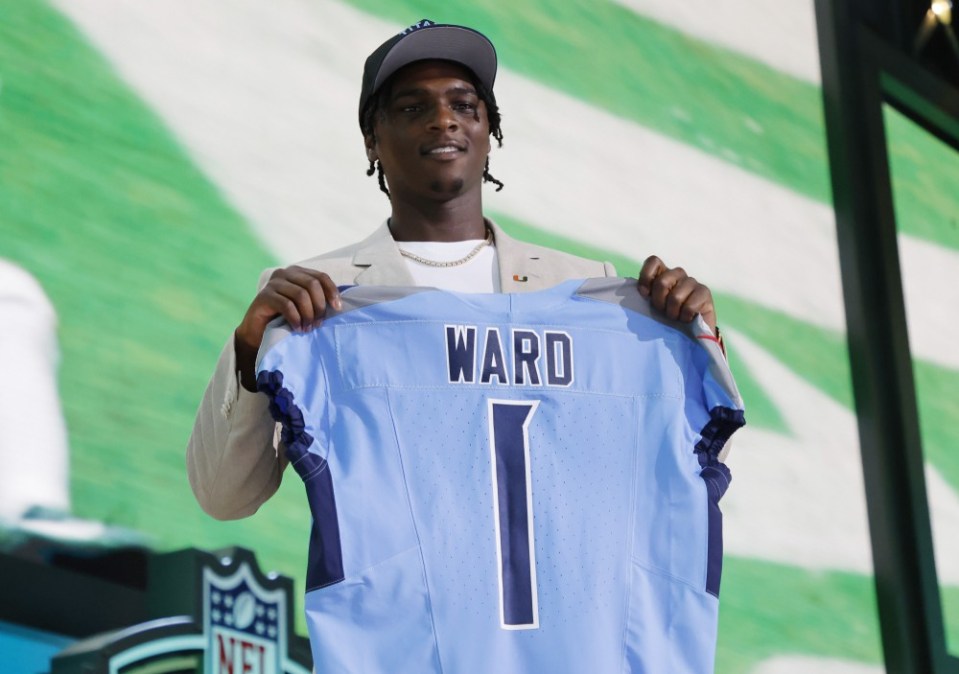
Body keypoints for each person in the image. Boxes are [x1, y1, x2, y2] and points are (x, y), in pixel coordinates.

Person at [187, 19, 720, 522]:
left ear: (488, 130)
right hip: (400, 614)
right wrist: (250, 351)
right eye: (412, 107)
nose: (443, 119)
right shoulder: (316, 293)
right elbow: (223, 497)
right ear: (372, 139)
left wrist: (696, 343)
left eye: (464, 105)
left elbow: (666, 472)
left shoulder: (585, 287)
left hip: (560, 610)